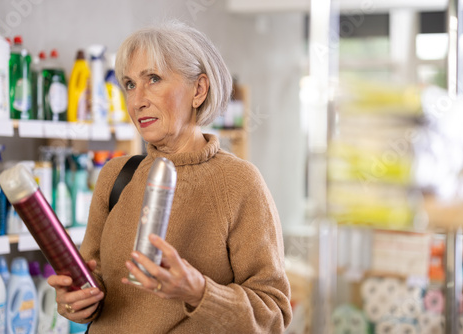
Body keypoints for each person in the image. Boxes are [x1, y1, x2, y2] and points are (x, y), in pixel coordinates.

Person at [48, 20, 292, 333]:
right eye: (130, 84)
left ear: (199, 89)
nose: (137, 100)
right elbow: (91, 287)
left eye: (154, 79)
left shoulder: (239, 182)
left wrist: (199, 292)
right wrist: (75, 301)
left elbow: (273, 315)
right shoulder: (116, 176)